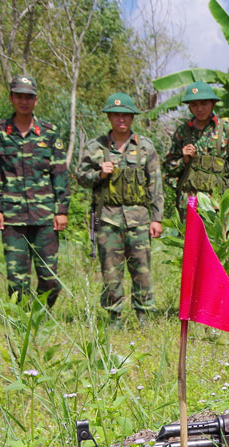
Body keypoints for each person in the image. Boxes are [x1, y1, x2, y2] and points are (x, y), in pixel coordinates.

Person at [75, 92, 164, 326]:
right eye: (116, 115)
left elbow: (155, 184)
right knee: (111, 272)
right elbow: (80, 177)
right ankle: (114, 318)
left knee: (142, 270)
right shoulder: (96, 147)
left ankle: (144, 316)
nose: (121, 119)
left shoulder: (145, 146)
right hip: (108, 220)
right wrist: (99, 174)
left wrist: (157, 218)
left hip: (139, 220)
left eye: (125, 115)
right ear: (109, 117)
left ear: (132, 117)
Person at [0, 75, 69, 307]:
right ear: (11, 98)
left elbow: (59, 173)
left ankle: (43, 313)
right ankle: (21, 320)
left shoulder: (49, 133)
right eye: (19, 96)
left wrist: (62, 210)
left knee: (49, 276)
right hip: (12, 216)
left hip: (44, 217)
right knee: (16, 276)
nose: (24, 101)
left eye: (28, 97)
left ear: (36, 100)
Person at [164, 81, 229, 220]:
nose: (199, 108)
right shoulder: (183, 132)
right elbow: (169, 169)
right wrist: (183, 160)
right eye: (194, 105)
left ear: (213, 103)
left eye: (204, 103)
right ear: (189, 107)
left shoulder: (227, 130)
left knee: (216, 242)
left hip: (218, 204)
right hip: (190, 203)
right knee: (191, 241)